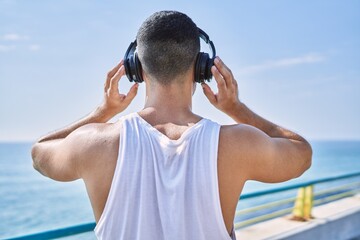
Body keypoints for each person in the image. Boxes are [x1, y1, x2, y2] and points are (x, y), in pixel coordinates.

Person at [31, 11, 312, 240]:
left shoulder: (92, 143)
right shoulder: (237, 144)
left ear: (136, 69)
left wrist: (101, 113)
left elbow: (39, 152)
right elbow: (301, 153)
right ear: (202, 68)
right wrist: (236, 108)